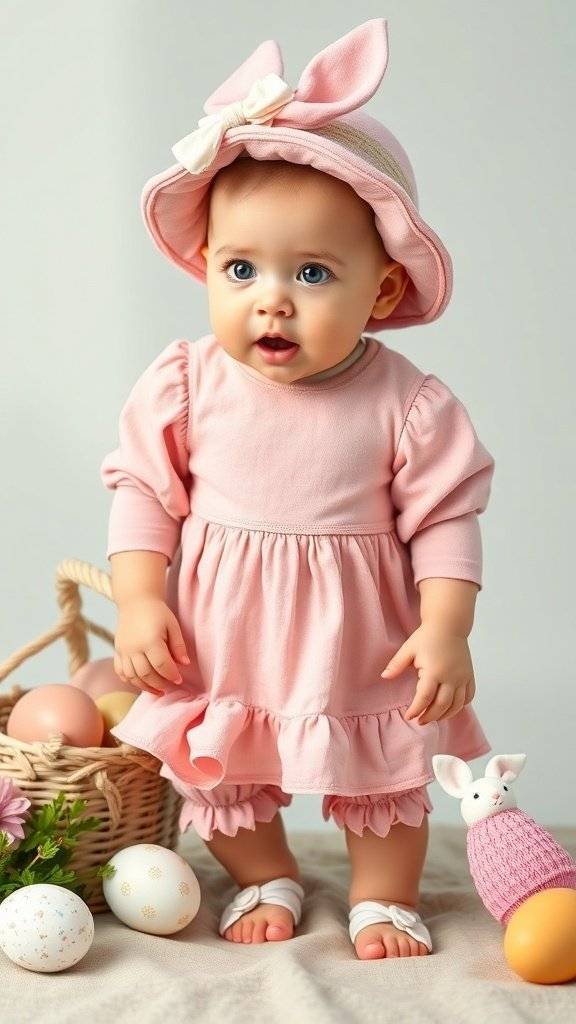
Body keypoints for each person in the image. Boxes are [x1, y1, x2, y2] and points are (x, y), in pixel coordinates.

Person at [100, 19, 495, 959]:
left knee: (382, 767)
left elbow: (445, 521)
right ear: (207, 270)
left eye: (312, 273)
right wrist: (140, 597)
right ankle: (266, 872)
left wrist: (446, 626)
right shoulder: (187, 382)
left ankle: (381, 895)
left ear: (385, 292)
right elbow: (143, 493)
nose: (270, 299)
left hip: (363, 638)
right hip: (222, 631)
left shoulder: (407, 401)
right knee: (223, 771)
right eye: (241, 269)